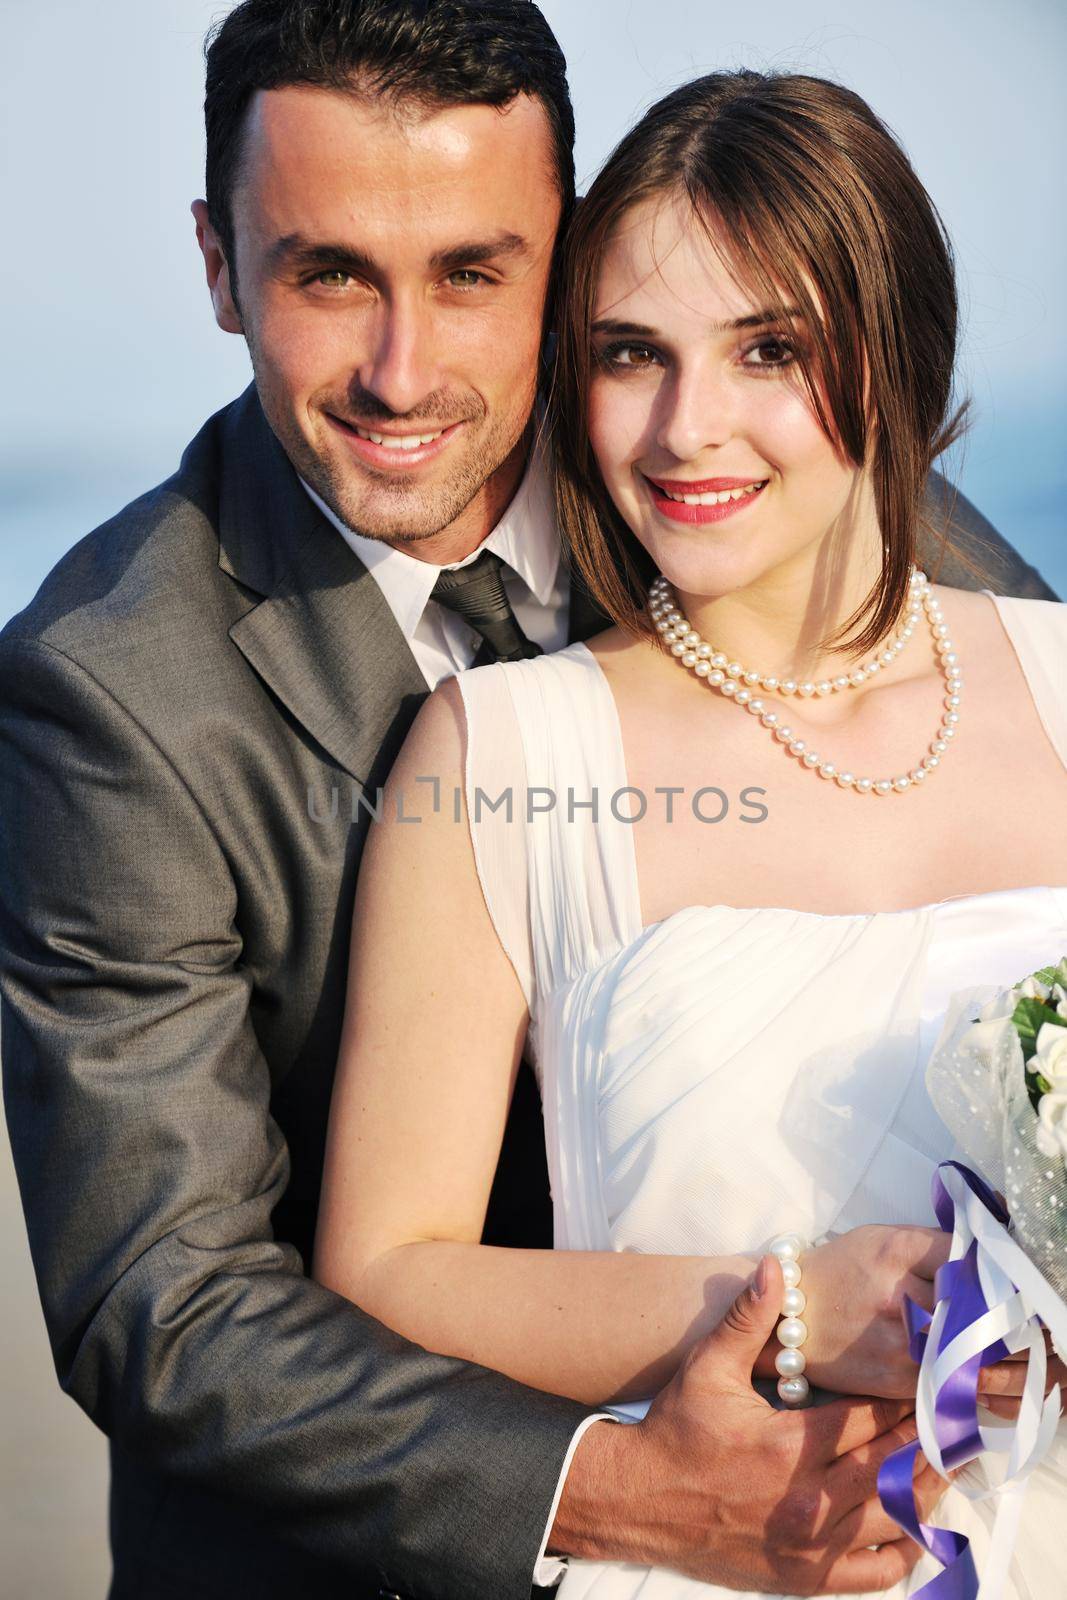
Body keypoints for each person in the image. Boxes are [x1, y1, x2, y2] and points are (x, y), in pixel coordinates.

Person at [0, 3, 1052, 1596]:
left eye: (476, 272)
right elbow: (173, 1299)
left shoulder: (768, 471)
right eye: (327, 272)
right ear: (220, 266)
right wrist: (627, 1491)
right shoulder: (113, 689)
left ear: (566, 253)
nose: (401, 372)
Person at [312, 67, 1067, 1598]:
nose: (684, 427)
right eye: (631, 356)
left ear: (896, 349)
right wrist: (785, 1301)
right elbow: (381, 1275)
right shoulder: (499, 758)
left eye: (768, 349)